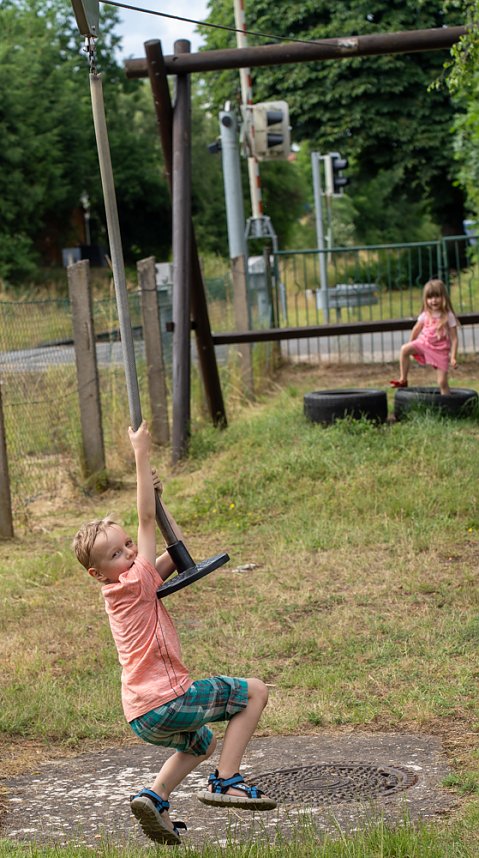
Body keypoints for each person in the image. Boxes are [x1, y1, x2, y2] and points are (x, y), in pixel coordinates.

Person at [72, 421, 276, 846]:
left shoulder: (127, 586)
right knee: (254, 691)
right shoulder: (134, 581)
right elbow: (146, 521)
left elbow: (178, 552)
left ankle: (155, 797)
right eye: (116, 553)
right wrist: (140, 453)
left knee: (201, 742)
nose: (130, 552)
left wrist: (160, 499)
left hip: (142, 715)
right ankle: (227, 780)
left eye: (129, 544)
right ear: (97, 573)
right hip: (168, 700)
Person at [390, 278, 459, 395]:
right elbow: (416, 329)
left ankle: (447, 403)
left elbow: (454, 338)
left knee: (442, 382)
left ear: (444, 297)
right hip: (424, 343)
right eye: (430, 297)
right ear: (425, 299)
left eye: (437, 296)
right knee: (404, 349)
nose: (433, 300)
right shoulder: (425, 314)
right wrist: (411, 343)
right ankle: (403, 379)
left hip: (440, 351)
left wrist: (453, 357)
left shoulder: (448, 316)